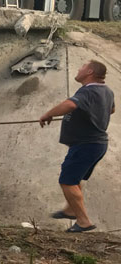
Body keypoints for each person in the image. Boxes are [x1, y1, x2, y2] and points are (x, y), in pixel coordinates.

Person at [39, 60, 115, 232]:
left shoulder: (88, 90)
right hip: (97, 144)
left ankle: (83, 221)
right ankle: (70, 210)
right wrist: (89, 114)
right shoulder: (107, 91)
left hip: (86, 144)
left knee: (67, 182)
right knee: (76, 178)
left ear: (89, 72)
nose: (79, 69)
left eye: (82, 67)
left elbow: (70, 104)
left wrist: (48, 114)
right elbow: (111, 110)